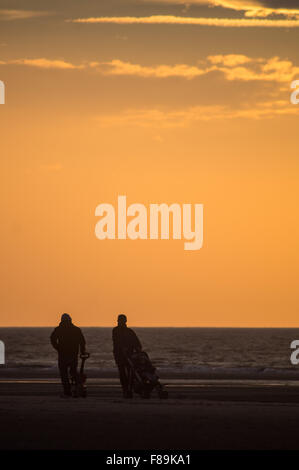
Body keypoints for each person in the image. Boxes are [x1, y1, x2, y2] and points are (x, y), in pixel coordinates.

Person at [50, 313, 86, 397]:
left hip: (64, 354)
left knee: (64, 373)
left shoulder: (59, 329)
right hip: (71, 354)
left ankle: (68, 391)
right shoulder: (76, 330)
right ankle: (77, 387)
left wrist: (57, 348)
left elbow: (52, 339)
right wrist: (82, 351)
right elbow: (82, 342)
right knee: (72, 372)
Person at [112, 314, 142, 398]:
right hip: (119, 355)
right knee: (122, 373)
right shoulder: (115, 331)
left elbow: (136, 341)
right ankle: (125, 389)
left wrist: (138, 348)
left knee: (131, 372)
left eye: (122, 320)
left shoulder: (130, 331)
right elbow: (117, 341)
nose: (121, 322)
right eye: (120, 320)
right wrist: (122, 348)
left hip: (130, 355)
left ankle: (130, 387)